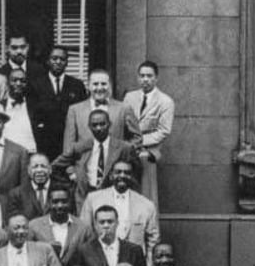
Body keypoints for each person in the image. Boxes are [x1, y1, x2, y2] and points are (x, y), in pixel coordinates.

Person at [55, 108, 139, 211]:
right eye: (94, 125)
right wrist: (73, 180)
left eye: (102, 124)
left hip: (113, 197)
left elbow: (136, 173)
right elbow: (55, 167)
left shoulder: (124, 148)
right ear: (89, 127)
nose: (99, 128)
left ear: (109, 124)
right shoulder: (80, 147)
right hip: (85, 198)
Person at [79, 159, 159, 253]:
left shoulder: (146, 205)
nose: (122, 175)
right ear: (111, 176)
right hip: (101, 258)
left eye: (127, 173)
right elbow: (84, 232)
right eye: (118, 172)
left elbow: (153, 240)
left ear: (132, 177)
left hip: (134, 261)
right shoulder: (93, 199)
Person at [124, 60, 174, 204]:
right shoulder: (129, 97)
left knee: (147, 193)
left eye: (149, 76)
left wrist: (139, 142)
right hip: (129, 150)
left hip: (149, 152)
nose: (145, 79)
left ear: (156, 78)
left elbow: (164, 131)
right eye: (142, 75)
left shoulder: (165, 101)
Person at [61, 69, 140, 153]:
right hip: (84, 163)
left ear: (109, 86)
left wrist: (122, 151)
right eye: (95, 84)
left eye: (103, 84)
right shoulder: (75, 110)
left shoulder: (124, 108)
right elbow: (68, 146)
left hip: (114, 163)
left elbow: (137, 138)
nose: (99, 88)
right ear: (88, 86)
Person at [29, 44, 87, 157]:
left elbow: (82, 114)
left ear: (67, 62)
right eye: (54, 58)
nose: (58, 62)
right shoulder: (36, 84)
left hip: (70, 141)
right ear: (48, 61)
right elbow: (32, 115)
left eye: (62, 59)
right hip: (44, 141)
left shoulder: (77, 85)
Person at [72, 205, 147, 266]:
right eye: (102, 222)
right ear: (95, 225)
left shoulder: (134, 250)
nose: (106, 226)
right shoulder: (84, 250)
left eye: (110, 222)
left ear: (117, 223)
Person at [29, 186, 94, 266]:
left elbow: (91, 255)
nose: (60, 205)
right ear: (48, 203)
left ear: (70, 202)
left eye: (64, 201)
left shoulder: (83, 228)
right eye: (55, 202)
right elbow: (28, 253)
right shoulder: (34, 226)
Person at [7, 152, 55, 221]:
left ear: (50, 169)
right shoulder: (16, 194)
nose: (39, 170)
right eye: (35, 167)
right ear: (29, 171)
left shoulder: (61, 190)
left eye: (43, 166)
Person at [1, 68, 38, 152]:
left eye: (22, 81)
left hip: (30, 154)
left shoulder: (35, 107)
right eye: (14, 80)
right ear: (7, 83)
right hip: (6, 155)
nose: (18, 83)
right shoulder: (0, 106)